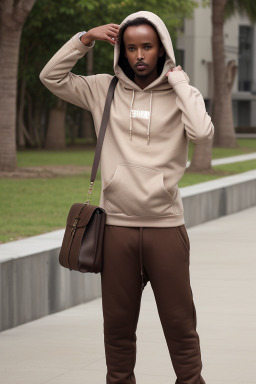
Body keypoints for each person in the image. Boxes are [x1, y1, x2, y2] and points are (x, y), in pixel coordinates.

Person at [40, 10, 213, 384]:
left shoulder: (183, 93)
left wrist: (179, 79)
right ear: (120, 50)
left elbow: (201, 131)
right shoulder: (104, 89)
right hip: (115, 229)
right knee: (117, 330)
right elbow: (50, 76)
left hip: (166, 230)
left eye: (147, 46)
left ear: (161, 48)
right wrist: (84, 39)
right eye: (131, 47)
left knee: (181, 327)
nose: (139, 55)